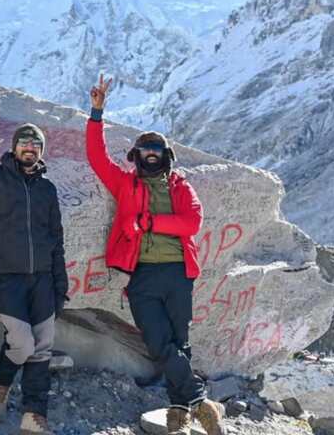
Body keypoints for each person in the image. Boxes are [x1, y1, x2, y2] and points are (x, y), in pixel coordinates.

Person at [85, 74, 227, 435]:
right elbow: (96, 156)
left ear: (166, 156)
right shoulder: (125, 184)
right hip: (143, 274)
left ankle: (179, 409)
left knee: (179, 343)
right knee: (158, 341)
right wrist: (96, 113)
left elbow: (191, 222)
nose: (151, 153)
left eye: (157, 149)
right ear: (136, 156)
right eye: (145, 149)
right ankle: (199, 401)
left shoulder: (181, 186)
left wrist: (147, 221)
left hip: (179, 273)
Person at [0, 124, 68, 435]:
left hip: (44, 280)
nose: (30, 148)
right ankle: (0, 381)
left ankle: (33, 419)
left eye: (36, 144)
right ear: (13, 147)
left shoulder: (47, 189)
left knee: (43, 348)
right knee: (22, 344)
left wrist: (60, 286)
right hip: (7, 279)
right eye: (24, 142)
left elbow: (56, 240)